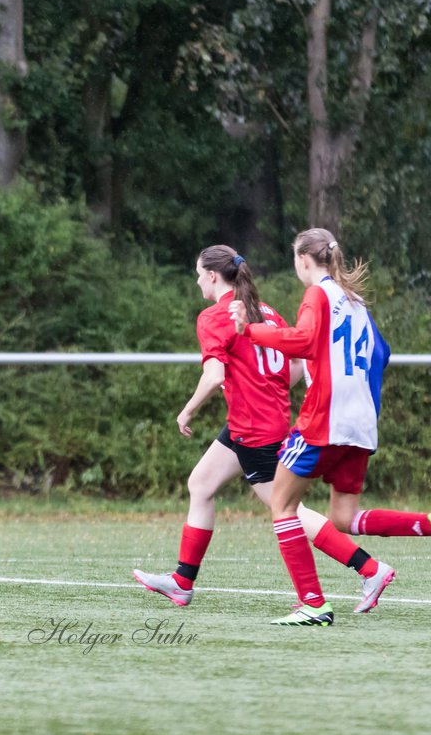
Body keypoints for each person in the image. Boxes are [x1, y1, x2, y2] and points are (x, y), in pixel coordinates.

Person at [133, 245, 391, 612]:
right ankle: (182, 582)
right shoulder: (266, 312)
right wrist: (266, 390)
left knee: (290, 511)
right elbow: (298, 362)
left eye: (197, 273)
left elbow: (214, 375)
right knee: (201, 483)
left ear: (212, 276)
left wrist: (186, 412)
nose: (196, 280)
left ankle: (370, 568)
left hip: (256, 432)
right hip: (250, 423)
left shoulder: (213, 316)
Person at [230, 228, 413, 625]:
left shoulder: (318, 294)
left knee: (282, 506)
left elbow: (304, 340)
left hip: (324, 421)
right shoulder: (356, 300)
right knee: (345, 518)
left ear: (303, 261)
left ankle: (312, 603)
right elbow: (381, 353)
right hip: (361, 423)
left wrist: (251, 331)